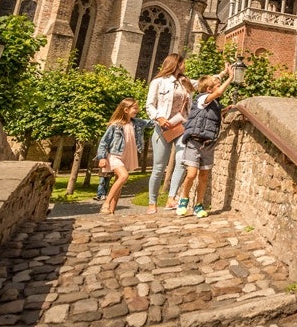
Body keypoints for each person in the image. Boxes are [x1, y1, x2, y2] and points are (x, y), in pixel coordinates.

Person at [174, 69, 231, 218]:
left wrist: (224, 111)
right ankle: (184, 199)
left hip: (209, 143)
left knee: (204, 175)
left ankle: (198, 205)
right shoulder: (202, 98)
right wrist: (230, 77)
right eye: (217, 86)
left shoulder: (215, 104)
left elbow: (210, 117)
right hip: (195, 141)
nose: (219, 88)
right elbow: (217, 94)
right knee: (192, 174)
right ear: (209, 89)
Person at [145, 53, 193, 214]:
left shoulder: (184, 83)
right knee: (159, 167)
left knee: (181, 161)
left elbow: (202, 83)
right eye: (183, 63)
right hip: (163, 127)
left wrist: (223, 74)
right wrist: (159, 118)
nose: (185, 65)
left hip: (181, 126)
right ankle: (152, 202)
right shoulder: (158, 82)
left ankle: (171, 198)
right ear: (176, 64)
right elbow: (150, 105)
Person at [95, 98, 143, 214]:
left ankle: (112, 211)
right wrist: (101, 157)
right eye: (135, 108)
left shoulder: (135, 123)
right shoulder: (115, 125)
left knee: (119, 182)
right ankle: (106, 204)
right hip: (115, 155)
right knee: (123, 176)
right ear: (126, 110)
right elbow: (104, 142)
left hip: (127, 156)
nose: (138, 110)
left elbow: (153, 122)